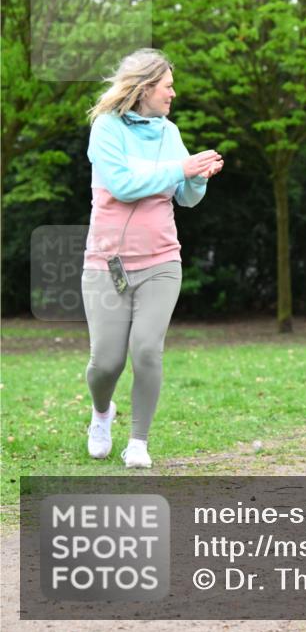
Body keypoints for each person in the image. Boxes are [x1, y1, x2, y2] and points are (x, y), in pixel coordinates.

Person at [82, 49, 223, 469]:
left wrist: (197, 177)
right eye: (167, 86)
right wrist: (180, 168)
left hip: (162, 261)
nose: (173, 93)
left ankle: (138, 441)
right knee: (106, 361)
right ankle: (101, 412)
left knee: (146, 350)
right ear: (144, 88)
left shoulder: (169, 132)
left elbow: (186, 197)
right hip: (107, 264)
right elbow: (123, 185)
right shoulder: (105, 129)